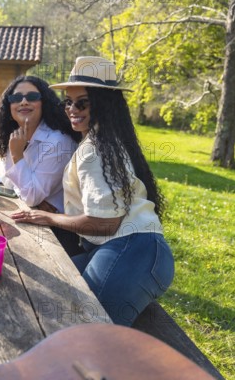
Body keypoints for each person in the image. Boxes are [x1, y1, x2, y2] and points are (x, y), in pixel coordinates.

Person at [12, 56, 175, 326]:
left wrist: (50, 218)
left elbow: (105, 223)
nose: (72, 109)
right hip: (132, 251)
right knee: (46, 296)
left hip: (132, 250)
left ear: (103, 104)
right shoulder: (104, 141)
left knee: (81, 328)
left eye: (82, 102)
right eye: (68, 102)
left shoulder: (95, 150)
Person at [0, 75, 83, 256]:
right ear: (8, 105)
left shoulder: (57, 142)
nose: (24, 102)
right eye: (16, 98)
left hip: (59, 231)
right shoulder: (17, 134)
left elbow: (30, 196)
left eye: (32, 97)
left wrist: (17, 155)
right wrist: (36, 197)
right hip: (32, 217)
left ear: (44, 103)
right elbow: (9, 182)